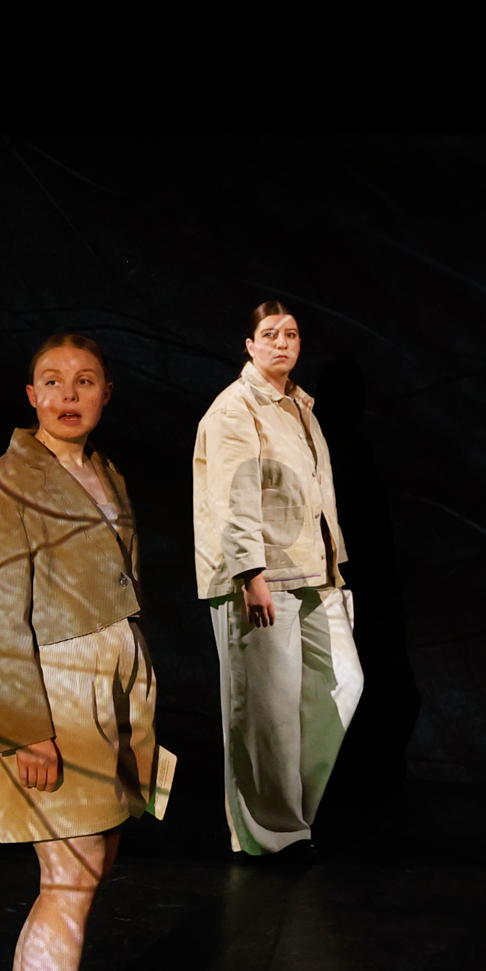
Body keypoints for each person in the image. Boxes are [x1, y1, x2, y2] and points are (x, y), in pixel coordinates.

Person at [0, 334, 175, 971]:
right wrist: (27, 730)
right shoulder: (2, 487)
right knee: (70, 877)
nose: (68, 394)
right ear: (30, 396)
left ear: (107, 392)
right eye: (51, 381)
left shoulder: (103, 471)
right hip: (55, 692)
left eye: (84, 380)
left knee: (87, 868)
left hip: (111, 685)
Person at [192, 301, 363, 856]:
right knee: (263, 712)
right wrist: (249, 572)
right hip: (260, 574)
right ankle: (269, 838)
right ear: (250, 345)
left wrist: (334, 563)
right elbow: (232, 496)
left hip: (312, 569)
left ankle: (290, 812)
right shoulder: (235, 409)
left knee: (343, 683)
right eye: (270, 334)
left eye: (290, 334)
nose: (282, 343)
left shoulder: (301, 407)